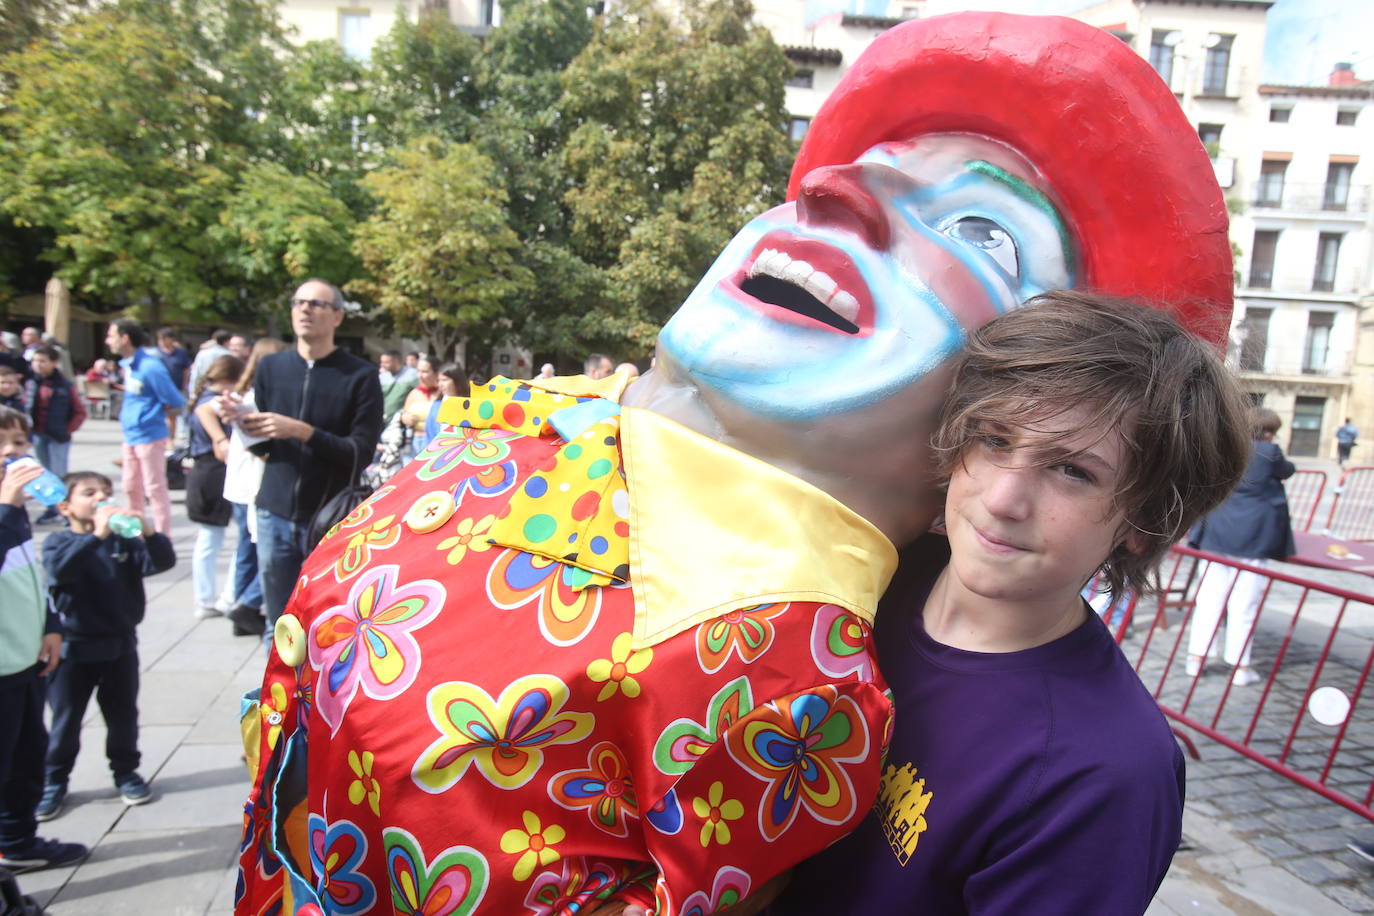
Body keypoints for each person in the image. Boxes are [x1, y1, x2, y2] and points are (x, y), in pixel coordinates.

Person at [234, 13, 1237, 915]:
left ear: (1139, 512)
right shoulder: (557, 433)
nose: (837, 186)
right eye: (998, 442)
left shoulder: (809, 666)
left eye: (983, 231)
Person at [760, 294, 1250, 916]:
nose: (1002, 498)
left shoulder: (1104, 775)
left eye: (1071, 470)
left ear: (1145, 521)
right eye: (994, 439)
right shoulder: (864, 577)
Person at [239, 279, 383, 647]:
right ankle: (275, 701)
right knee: (277, 625)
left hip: (329, 517)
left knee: (326, 625)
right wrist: (243, 425)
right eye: (299, 302)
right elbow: (264, 447)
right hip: (274, 509)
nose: (305, 309)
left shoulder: (360, 376)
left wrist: (304, 432)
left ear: (336, 316)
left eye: (316, 304)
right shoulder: (271, 367)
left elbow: (360, 452)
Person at [35, 471, 175, 821]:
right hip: (74, 650)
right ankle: (54, 780)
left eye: (106, 492)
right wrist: (98, 533)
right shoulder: (58, 544)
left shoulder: (122, 542)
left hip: (120, 645)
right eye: (89, 493)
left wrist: (149, 532)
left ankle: (126, 771)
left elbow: (161, 562)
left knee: (123, 715)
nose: (100, 498)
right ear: (66, 507)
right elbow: (62, 571)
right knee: (66, 720)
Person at [0, 407, 87, 873]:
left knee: (26, 759)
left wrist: (50, 623)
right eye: (1, 444)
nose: (12, 454)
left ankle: (17, 841)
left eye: (18, 443)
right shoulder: (6, 509)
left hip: (23, 657)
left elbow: (29, 573)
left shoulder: (13, 511)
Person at [1187, 407, 1296, 686]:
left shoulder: (1228, 448)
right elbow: (1288, 471)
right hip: (1252, 537)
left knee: (1209, 599)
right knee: (1243, 603)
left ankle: (1196, 658)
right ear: (1270, 432)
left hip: (1218, 531)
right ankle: (1240, 666)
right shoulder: (1269, 453)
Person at [205, 338, 289, 638]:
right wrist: (220, 439)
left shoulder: (247, 395)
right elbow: (205, 409)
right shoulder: (253, 397)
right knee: (258, 551)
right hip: (252, 485)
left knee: (251, 549)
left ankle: (242, 604)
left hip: (245, 483)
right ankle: (245, 604)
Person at [106, 319, 185, 535]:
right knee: (130, 487)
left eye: (111, 335)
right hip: (131, 434)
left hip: (150, 434)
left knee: (154, 488)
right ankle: (136, 533)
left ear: (125, 338)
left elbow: (175, 399)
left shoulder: (150, 367)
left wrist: (149, 414)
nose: (107, 341)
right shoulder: (128, 364)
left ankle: (162, 535)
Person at [185, 356, 244, 619]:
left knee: (209, 539)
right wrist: (222, 441)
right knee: (230, 538)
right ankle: (226, 596)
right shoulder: (215, 402)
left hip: (203, 471)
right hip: (216, 470)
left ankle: (206, 597)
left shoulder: (202, 398)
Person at [25, 346, 86, 524]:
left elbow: (79, 412)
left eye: (43, 361)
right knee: (44, 475)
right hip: (38, 434)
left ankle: (66, 509)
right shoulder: (31, 383)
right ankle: (52, 509)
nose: (38, 365)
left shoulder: (65, 385)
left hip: (58, 436)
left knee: (59, 475)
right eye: (35, 361)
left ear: (54, 363)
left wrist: (67, 429)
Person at [396, 355, 442, 458]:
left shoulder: (443, 394)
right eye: (418, 371)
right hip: (413, 442)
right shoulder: (414, 393)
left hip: (434, 442)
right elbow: (404, 413)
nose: (419, 376)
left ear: (436, 373)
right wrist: (405, 418)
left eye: (425, 372)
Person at [421, 361, 470, 447]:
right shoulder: (437, 405)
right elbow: (429, 433)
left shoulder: (469, 405)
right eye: (438, 380)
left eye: (444, 380)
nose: (440, 384)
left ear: (457, 381)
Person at [187, 329, 232, 399]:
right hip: (220, 390)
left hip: (201, 388)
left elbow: (195, 372)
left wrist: (192, 391)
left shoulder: (202, 353)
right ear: (227, 341)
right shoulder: (227, 355)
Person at [377, 349, 415, 424]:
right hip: (384, 420)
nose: (382, 365)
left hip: (403, 421)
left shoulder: (412, 375)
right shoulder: (382, 377)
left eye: (386, 362)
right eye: (382, 362)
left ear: (396, 361)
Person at [154, 327, 192, 392]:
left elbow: (186, 370)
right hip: (160, 389)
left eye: (164, 338)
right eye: (159, 339)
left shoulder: (181, 353)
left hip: (177, 389)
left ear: (171, 339)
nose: (161, 341)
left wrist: (184, 385)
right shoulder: (155, 353)